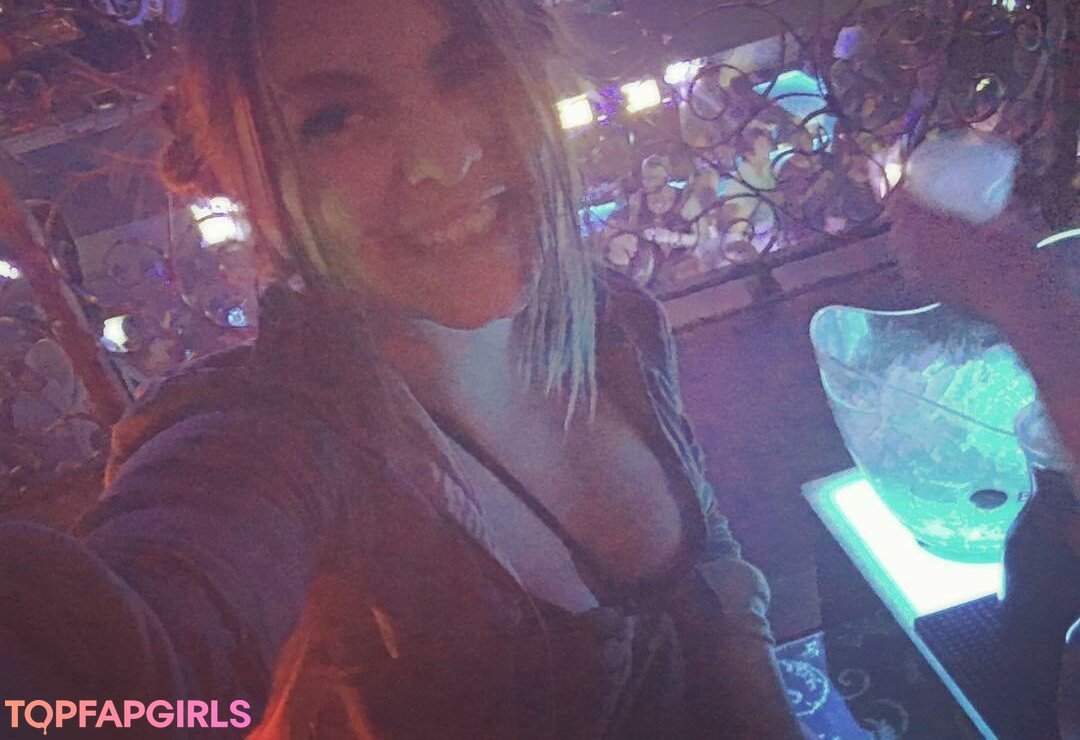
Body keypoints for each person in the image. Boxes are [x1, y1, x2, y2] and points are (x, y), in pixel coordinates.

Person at [0, 1, 809, 738]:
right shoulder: (262, 445)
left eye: (468, 69)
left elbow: (718, 592)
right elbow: (116, 685)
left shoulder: (609, 317)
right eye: (335, 119)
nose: (443, 160)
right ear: (239, 177)